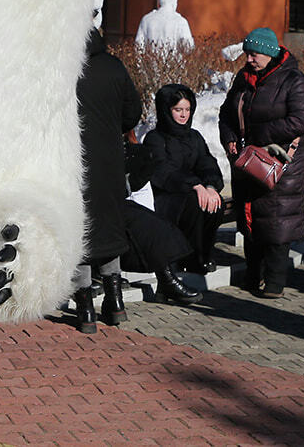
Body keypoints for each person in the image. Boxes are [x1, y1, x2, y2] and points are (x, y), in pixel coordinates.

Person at [220, 27, 304, 298]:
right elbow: (227, 113)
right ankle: (254, 273)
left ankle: (274, 279)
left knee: (276, 222)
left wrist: (258, 135)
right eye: (247, 53)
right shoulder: (243, 78)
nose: (249, 59)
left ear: (270, 53)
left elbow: (301, 121)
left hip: (281, 163)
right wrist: (229, 138)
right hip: (249, 161)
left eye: (254, 54)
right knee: (251, 219)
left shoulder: (293, 81)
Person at [74, 26, 143, 334]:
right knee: (109, 221)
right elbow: (133, 112)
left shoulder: (67, 69)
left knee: (80, 227)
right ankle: (115, 301)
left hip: (75, 160)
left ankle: (85, 306)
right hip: (111, 160)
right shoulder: (114, 67)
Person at [144, 83, 224, 275]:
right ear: (166, 110)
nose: (183, 115)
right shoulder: (155, 138)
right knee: (194, 203)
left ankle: (204, 254)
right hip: (164, 196)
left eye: (187, 109)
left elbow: (206, 162)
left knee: (215, 203)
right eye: (178, 109)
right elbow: (162, 171)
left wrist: (211, 186)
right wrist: (194, 185)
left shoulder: (194, 136)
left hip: (192, 192)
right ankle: (187, 258)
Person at [121, 142, 203, 305]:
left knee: (155, 226)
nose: (183, 114)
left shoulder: (134, 152)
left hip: (122, 202)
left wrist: (209, 184)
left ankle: (167, 281)